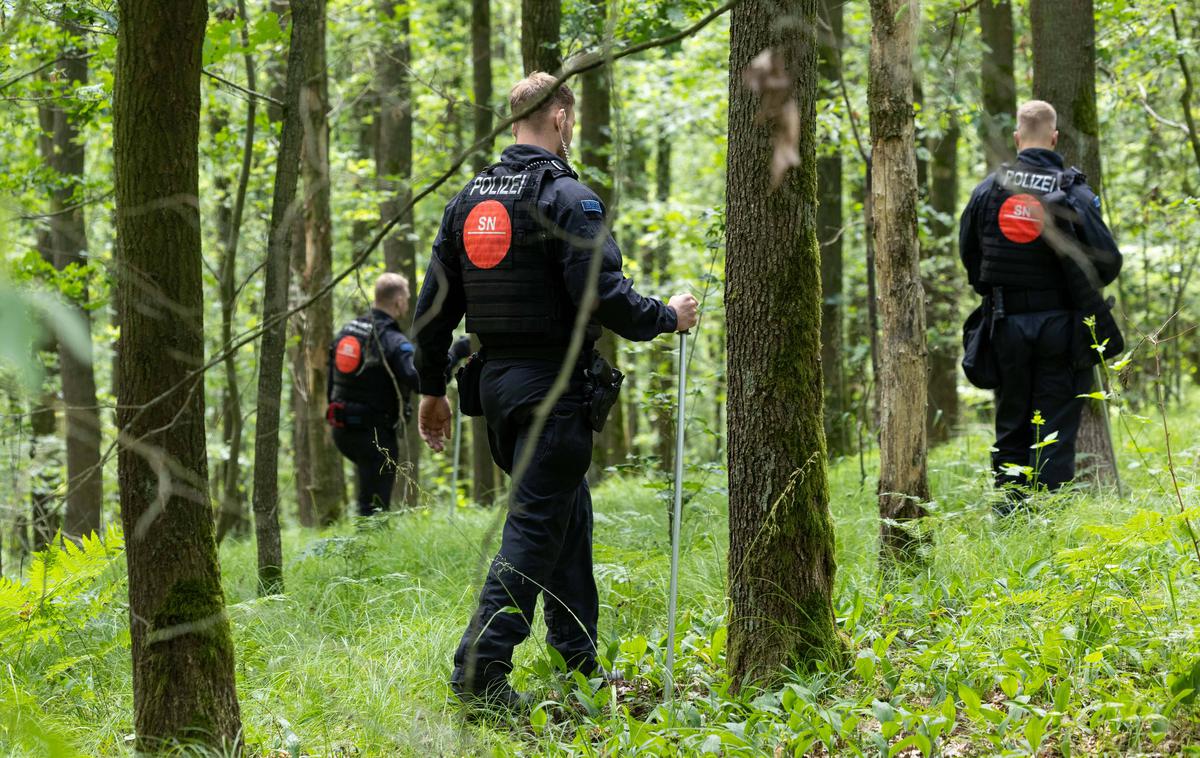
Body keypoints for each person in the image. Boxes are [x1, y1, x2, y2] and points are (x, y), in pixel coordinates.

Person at [411, 72, 699, 708]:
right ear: (562, 118)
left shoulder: (470, 204)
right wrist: (666, 315)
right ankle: (480, 671)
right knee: (535, 528)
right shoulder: (570, 198)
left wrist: (432, 390)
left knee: (566, 518)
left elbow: (432, 310)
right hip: (554, 391)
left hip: (501, 392)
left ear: (515, 121)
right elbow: (606, 295)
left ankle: (579, 664)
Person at [959, 100, 1122, 509]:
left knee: (1012, 424)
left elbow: (971, 258)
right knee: (1055, 430)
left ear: (1017, 138)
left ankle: (1010, 519)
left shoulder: (988, 190)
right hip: (1061, 330)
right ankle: (1046, 522)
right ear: (1054, 138)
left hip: (1006, 325)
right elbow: (1108, 262)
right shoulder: (1073, 192)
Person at [326, 273, 423, 517]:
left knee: (367, 495)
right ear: (398, 301)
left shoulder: (347, 331)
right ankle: (370, 549)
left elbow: (330, 379)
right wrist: (453, 355)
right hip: (375, 436)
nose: (408, 303)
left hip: (342, 430)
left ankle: (363, 546)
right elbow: (420, 380)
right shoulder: (391, 340)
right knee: (376, 508)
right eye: (407, 298)